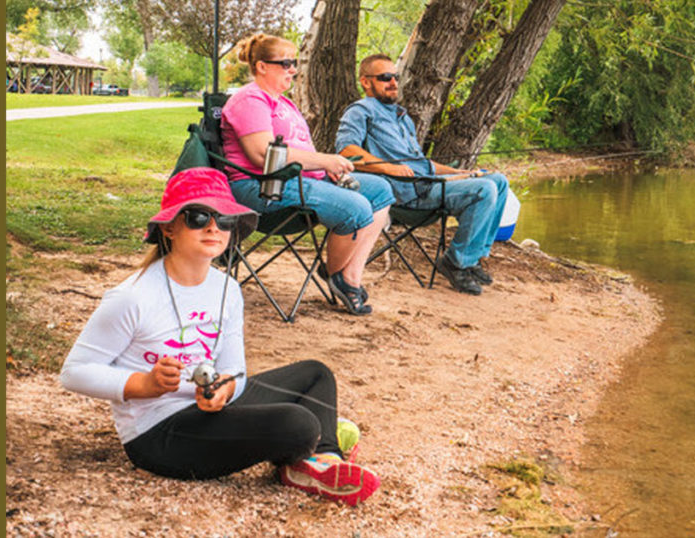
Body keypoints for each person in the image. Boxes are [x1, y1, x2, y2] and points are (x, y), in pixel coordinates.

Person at [60, 167, 380, 506]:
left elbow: (234, 370)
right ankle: (312, 443)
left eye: (225, 219)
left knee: (316, 374)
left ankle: (320, 461)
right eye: (199, 217)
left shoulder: (227, 288)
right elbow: (75, 372)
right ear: (169, 227)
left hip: (206, 410)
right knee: (298, 422)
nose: (214, 227)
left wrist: (226, 389)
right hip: (159, 434)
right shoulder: (132, 296)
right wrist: (144, 385)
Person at [221, 34, 395, 315]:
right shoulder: (250, 99)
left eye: (295, 63)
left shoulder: (285, 103)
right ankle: (342, 278)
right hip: (261, 187)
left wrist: (328, 168)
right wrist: (324, 161)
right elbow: (262, 155)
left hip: (297, 181)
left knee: (380, 189)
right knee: (355, 207)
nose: (293, 69)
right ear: (262, 66)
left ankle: (346, 275)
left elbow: (301, 151)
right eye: (286, 63)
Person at [335, 54, 510, 296]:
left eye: (395, 77)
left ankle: (474, 257)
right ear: (366, 82)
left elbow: (421, 163)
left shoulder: (402, 117)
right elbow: (346, 150)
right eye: (385, 78)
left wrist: (460, 173)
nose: (394, 82)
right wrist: (389, 167)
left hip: (428, 184)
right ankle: (456, 262)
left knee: (498, 181)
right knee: (484, 190)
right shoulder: (360, 111)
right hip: (406, 194)